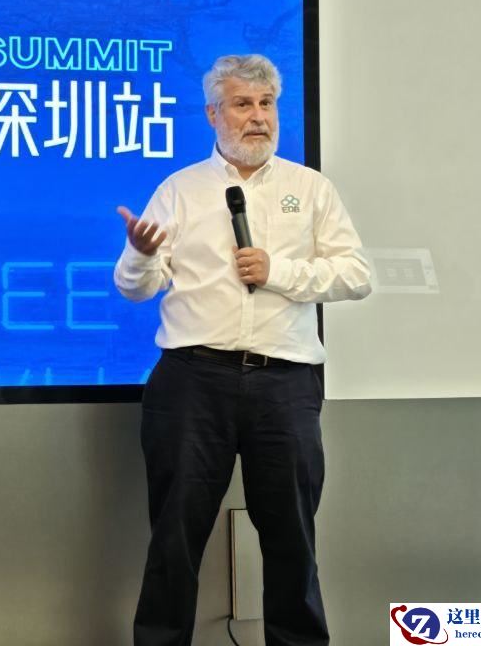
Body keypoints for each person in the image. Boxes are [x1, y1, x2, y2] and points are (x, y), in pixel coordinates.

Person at [114, 54, 371, 646]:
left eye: (266, 104)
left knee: (291, 537)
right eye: (242, 104)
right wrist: (141, 254)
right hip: (192, 380)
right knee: (175, 537)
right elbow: (135, 289)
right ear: (213, 114)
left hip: (285, 384)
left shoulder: (310, 189)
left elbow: (356, 275)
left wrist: (278, 271)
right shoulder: (180, 190)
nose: (258, 117)